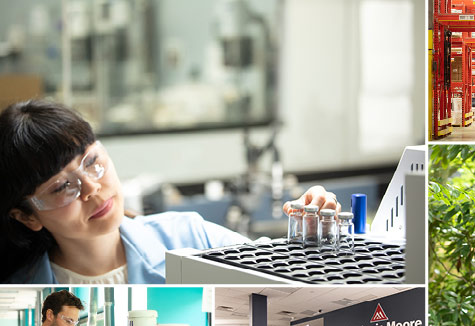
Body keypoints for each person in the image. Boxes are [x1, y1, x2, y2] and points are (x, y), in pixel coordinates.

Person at [0, 100, 339, 284]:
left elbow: (286, 275)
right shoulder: (16, 293)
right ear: (28, 216)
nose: (91, 188)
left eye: (92, 161)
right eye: (61, 187)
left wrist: (313, 234)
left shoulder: (187, 236)